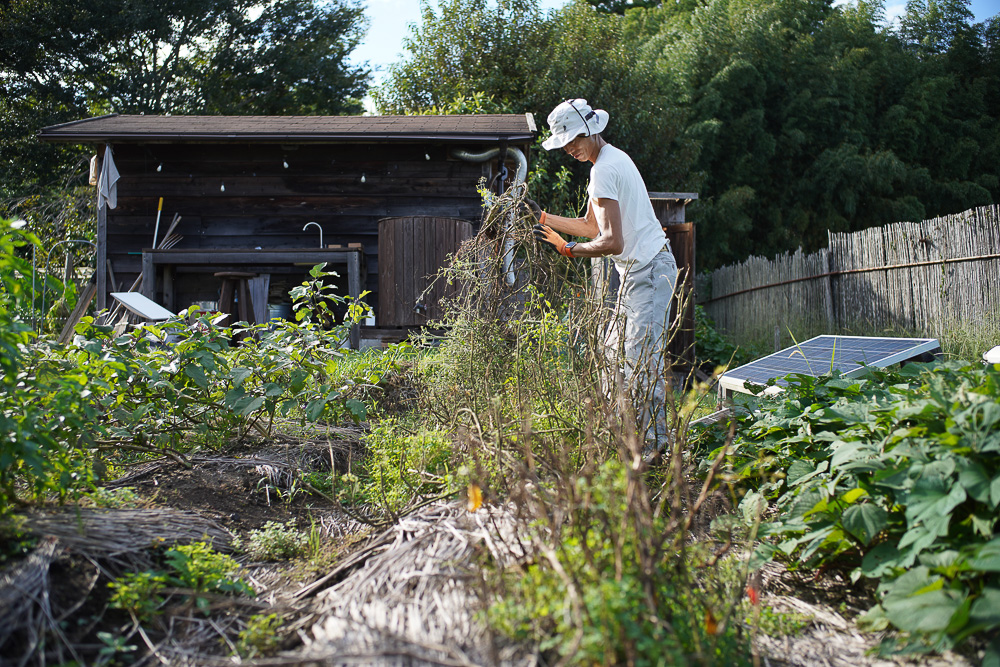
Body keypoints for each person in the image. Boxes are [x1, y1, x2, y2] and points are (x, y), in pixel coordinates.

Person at [530, 99, 678, 459]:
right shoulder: (610, 160)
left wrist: (569, 251)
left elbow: (611, 241)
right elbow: (590, 226)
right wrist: (543, 218)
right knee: (614, 355)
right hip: (635, 273)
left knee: (642, 362)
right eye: (564, 144)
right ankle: (627, 441)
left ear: (590, 130)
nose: (570, 149)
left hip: (649, 270)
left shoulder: (605, 170)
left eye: (574, 140)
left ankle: (656, 453)